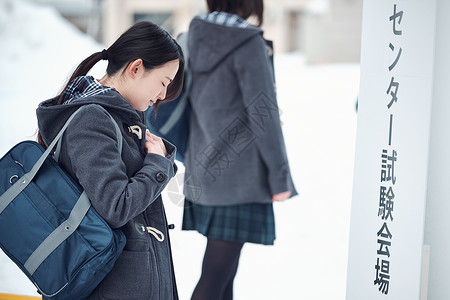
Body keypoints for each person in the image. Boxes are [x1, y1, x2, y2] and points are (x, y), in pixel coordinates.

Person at [36, 21, 184, 300]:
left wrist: (160, 160)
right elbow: (115, 206)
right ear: (136, 68)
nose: (162, 95)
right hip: (114, 285)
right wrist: (157, 164)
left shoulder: (122, 117)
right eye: (163, 82)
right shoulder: (92, 119)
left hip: (130, 279)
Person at [181, 1, 298, 299]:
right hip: (240, 179)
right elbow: (264, 115)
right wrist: (279, 177)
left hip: (205, 170)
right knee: (215, 277)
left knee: (223, 277)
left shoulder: (194, 35)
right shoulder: (247, 42)